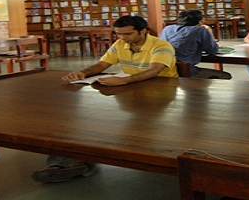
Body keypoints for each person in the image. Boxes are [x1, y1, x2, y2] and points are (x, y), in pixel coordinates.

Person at [33, 15, 176, 183]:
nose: (122, 38)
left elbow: (154, 71)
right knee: (84, 121)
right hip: (130, 93)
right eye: (119, 34)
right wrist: (84, 73)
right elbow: (102, 64)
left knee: (110, 125)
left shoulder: (161, 46)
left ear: (143, 31)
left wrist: (124, 80)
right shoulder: (120, 44)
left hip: (160, 94)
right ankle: (67, 163)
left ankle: (76, 163)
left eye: (127, 34)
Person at [160, 9, 232, 79]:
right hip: (186, 71)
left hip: (164, 70)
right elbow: (212, 50)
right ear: (200, 22)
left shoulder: (167, 29)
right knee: (225, 75)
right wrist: (209, 32)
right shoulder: (200, 30)